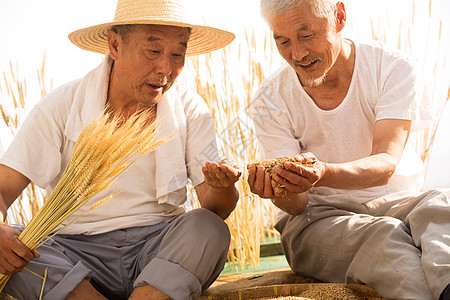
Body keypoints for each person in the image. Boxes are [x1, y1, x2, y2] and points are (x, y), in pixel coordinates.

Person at [0, 0, 241, 299]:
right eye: (153, 51)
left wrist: (224, 187)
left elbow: (215, 208)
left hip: (158, 249)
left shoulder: (191, 109)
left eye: (178, 54)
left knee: (208, 228)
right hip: (73, 251)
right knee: (13, 249)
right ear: (115, 44)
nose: (166, 68)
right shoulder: (61, 106)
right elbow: (3, 187)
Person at [247, 0, 450, 299]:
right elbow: (298, 205)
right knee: (383, 237)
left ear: (339, 17)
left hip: (400, 203)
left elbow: (386, 163)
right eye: (283, 41)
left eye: (307, 35)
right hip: (316, 221)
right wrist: (281, 189)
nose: (298, 54)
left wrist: (322, 173)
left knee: (441, 205)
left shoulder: (391, 67)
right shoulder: (269, 99)